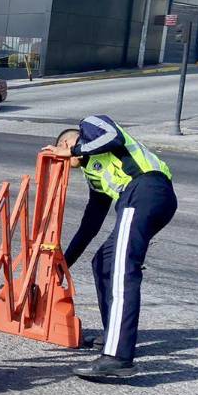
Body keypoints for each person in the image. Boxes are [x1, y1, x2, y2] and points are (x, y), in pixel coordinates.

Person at [43, 115, 177, 379]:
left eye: (63, 154)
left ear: (67, 143)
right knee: (104, 262)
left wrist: (75, 150)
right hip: (141, 199)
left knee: (122, 267)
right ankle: (113, 334)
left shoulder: (90, 126)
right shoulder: (94, 174)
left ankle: (118, 357)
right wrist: (63, 265)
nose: (65, 162)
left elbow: (113, 137)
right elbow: (89, 226)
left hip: (146, 188)